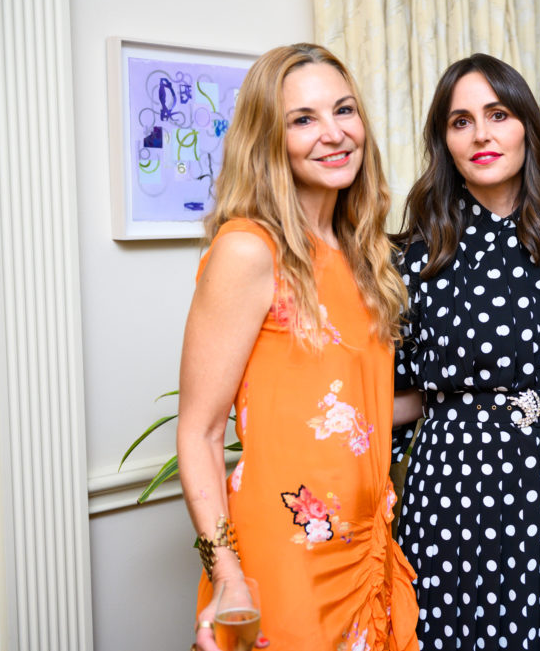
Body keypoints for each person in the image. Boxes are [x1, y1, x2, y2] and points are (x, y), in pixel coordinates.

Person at [176, 43, 417, 651]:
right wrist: (227, 575)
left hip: (366, 549)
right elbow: (200, 433)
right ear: (268, 139)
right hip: (286, 557)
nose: (333, 133)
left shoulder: (364, 254)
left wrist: (469, 393)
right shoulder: (249, 249)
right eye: (303, 119)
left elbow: (351, 411)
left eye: (344, 110)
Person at [392, 53, 540, 650]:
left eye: (498, 114)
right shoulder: (413, 260)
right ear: (444, 143)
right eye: (461, 121)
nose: (482, 134)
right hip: (455, 494)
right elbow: (390, 392)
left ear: (528, 126)